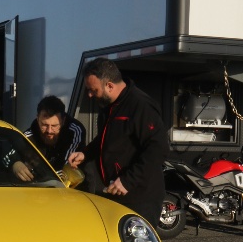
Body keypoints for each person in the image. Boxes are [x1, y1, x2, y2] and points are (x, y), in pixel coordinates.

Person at [67, 57, 169, 227]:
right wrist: (85, 153)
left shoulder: (140, 105)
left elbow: (158, 149)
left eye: (93, 90)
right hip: (116, 192)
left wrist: (128, 181)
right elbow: (105, 139)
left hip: (140, 197)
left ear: (109, 86)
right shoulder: (108, 107)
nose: (90, 95)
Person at [6, 95, 86, 181]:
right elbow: (7, 156)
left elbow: (67, 166)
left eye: (54, 126)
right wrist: (15, 164)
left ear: (63, 121)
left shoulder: (75, 131)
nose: (49, 131)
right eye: (44, 125)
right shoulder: (28, 136)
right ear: (37, 119)